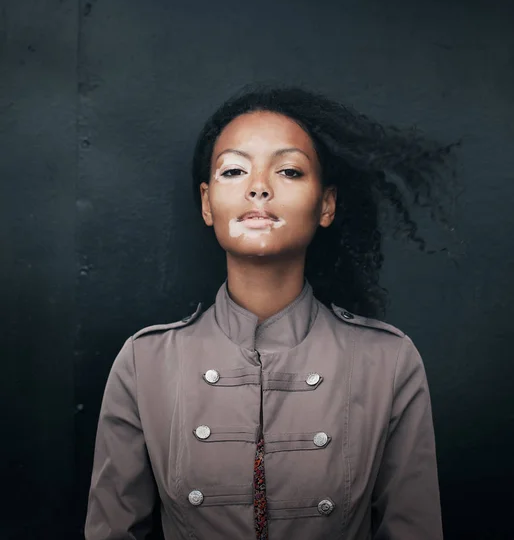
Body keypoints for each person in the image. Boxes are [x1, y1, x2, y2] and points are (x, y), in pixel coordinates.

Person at [85, 85, 458, 540]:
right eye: (235, 170)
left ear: (326, 204)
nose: (259, 187)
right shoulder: (144, 363)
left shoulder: (388, 362)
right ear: (207, 203)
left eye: (288, 170)